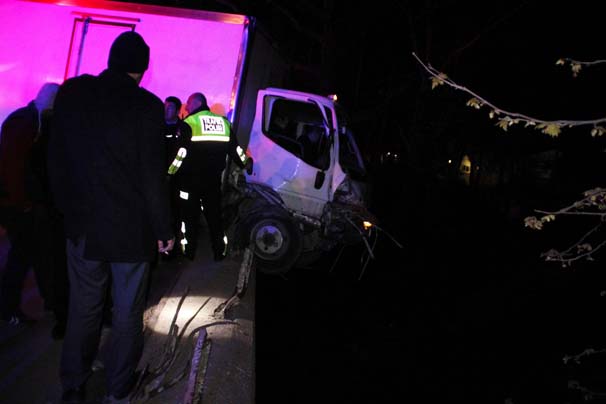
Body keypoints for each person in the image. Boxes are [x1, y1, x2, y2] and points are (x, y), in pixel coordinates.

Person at [48, 31, 174, 404]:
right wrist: (163, 229)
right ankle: (118, 389)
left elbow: (56, 159)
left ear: (110, 59)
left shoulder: (74, 94)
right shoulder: (147, 106)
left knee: (84, 307)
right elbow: (153, 177)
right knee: (127, 311)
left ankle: (73, 384)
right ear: (142, 70)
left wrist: (66, 209)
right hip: (129, 233)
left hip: (84, 227)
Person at [0, 82, 60, 326]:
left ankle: (39, 303)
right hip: (16, 203)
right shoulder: (27, 123)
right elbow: (15, 166)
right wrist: (22, 201)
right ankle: (8, 309)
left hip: (15, 201)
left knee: (28, 254)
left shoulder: (24, 119)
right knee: (22, 256)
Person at [168, 92, 243, 262]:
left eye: (188, 103)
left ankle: (189, 252)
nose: (186, 107)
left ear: (197, 103)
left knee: (189, 217)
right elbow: (236, 150)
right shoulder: (223, 123)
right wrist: (246, 163)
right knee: (215, 217)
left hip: (190, 182)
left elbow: (180, 154)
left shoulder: (189, 123)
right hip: (212, 181)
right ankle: (219, 251)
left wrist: (170, 173)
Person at [163, 96, 191, 258]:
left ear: (178, 110)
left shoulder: (182, 129)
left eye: (170, 107)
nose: (166, 110)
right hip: (157, 179)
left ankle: (171, 251)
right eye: (165, 107)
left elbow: (181, 155)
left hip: (176, 180)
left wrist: (170, 174)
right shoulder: (157, 126)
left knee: (174, 213)